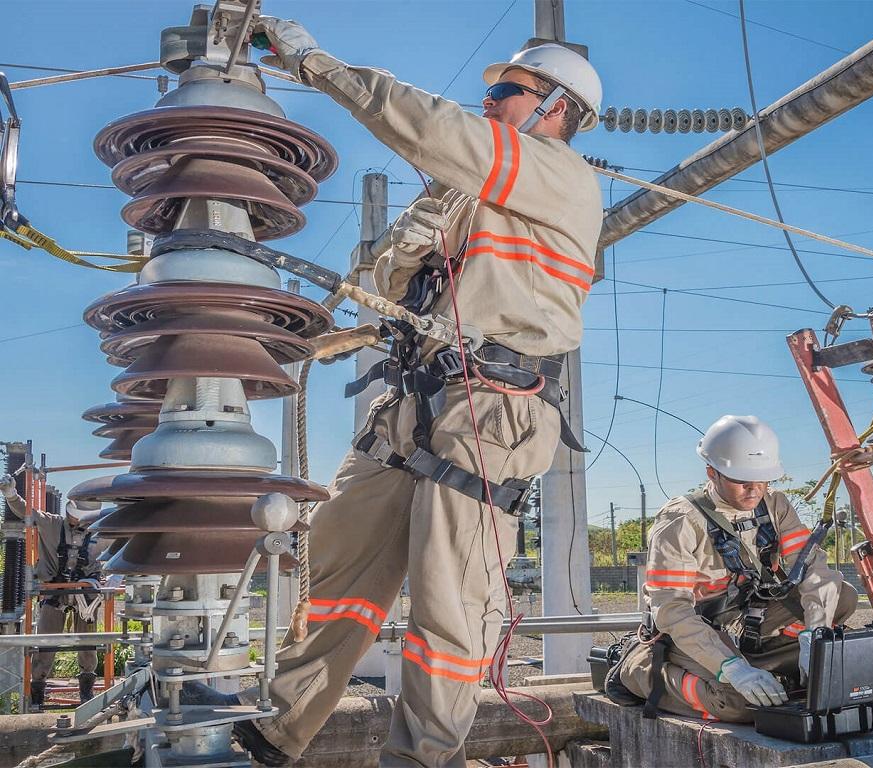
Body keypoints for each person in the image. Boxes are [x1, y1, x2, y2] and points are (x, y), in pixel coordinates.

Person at [185, 18, 605, 767]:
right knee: (340, 564)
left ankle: (421, 759)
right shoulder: (462, 194)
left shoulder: (556, 173)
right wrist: (418, 231)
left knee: (448, 611)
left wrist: (316, 64)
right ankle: (282, 730)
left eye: (509, 89)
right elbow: (377, 280)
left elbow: (427, 126)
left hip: (490, 407)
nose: (493, 99)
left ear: (556, 109)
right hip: (416, 402)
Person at [604, 415, 859, 721]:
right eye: (742, 481)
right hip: (691, 630)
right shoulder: (681, 521)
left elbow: (814, 571)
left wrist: (812, 636)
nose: (754, 490)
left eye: (763, 480)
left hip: (746, 619)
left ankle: (765, 664)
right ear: (712, 472)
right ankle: (639, 671)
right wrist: (731, 669)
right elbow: (672, 610)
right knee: (739, 705)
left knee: (841, 597)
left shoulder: (775, 505)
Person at [1, 474, 107, 708]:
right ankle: (37, 694)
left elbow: (122, 543)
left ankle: (86, 692)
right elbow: (27, 512)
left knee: (87, 644)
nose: (76, 521)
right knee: (46, 644)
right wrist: (11, 495)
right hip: (53, 592)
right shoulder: (52, 523)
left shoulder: (100, 532)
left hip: (85, 598)